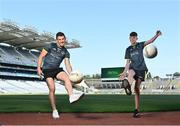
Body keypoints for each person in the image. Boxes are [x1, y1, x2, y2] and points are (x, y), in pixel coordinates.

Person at [37, 32, 84, 119]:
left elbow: (67, 64)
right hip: (47, 70)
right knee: (52, 88)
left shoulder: (66, 52)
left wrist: (72, 74)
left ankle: (71, 96)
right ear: (56, 40)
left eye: (63, 39)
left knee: (66, 78)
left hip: (57, 69)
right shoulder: (50, 46)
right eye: (59, 39)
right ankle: (54, 110)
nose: (61, 41)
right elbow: (41, 57)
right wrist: (38, 68)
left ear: (65, 39)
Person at [119, 30, 162, 118]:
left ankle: (136, 110)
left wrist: (156, 35)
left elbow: (150, 41)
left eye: (134, 37)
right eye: (131, 38)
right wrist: (124, 72)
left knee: (137, 89)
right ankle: (127, 84)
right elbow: (127, 62)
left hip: (141, 69)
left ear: (136, 38)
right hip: (133, 67)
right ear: (129, 39)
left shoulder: (140, 45)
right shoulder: (128, 49)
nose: (132, 39)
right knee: (130, 72)